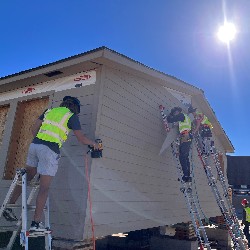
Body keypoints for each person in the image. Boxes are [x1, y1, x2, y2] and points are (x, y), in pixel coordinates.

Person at [3, 96, 99, 232]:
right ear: (75, 108)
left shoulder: (49, 111)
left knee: (27, 177)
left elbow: (34, 128)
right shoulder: (71, 117)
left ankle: (9, 205)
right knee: (44, 188)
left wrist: (40, 140)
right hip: (49, 151)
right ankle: (36, 224)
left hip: (35, 146)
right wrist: (94, 144)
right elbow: (81, 139)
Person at [167, 107, 192, 182]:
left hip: (185, 136)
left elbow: (170, 120)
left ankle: (186, 175)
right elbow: (178, 124)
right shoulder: (185, 118)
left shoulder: (181, 115)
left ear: (177, 112)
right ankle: (188, 176)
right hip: (186, 137)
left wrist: (168, 117)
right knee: (186, 157)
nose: (175, 114)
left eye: (175, 113)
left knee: (182, 157)